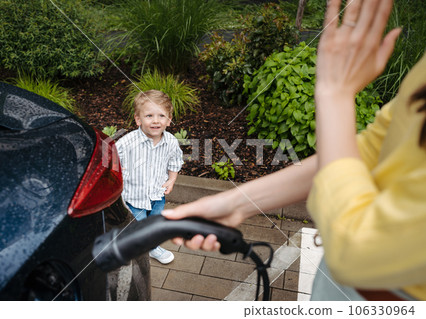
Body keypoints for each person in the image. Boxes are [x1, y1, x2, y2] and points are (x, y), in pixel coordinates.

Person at [162, 0, 426, 300]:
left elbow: (355, 252)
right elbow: (367, 155)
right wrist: (235, 204)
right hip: (337, 284)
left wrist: (334, 94)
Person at [116, 89, 183, 264]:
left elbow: (175, 162)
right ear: (138, 119)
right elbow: (111, 162)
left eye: (161, 116)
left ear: (169, 120)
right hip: (134, 195)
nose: (155, 121)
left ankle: (150, 246)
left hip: (157, 193)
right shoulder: (127, 143)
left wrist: (172, 180)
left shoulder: (171, 142)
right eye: (149, 116)